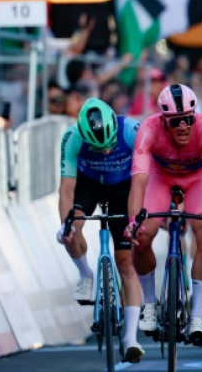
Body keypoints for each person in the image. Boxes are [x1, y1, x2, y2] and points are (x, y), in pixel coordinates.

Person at [124, 84, 202, 347]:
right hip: (160, 180)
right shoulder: (148, 129)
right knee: (142, 235)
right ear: (163, 120)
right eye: (176, 121)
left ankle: (197, 316)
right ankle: (149, 303)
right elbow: (138, 182)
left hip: (196, 182)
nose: (183, 127)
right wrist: (133, 222)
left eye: (188, 119)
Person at [55, 99, 146, 362]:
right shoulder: (72, 137)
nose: (105, 152)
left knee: (126, 264)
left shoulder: (131, 130)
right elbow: (66, 190)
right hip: (88, 184)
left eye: (109, 145)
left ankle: (131, 338)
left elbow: (146, 178)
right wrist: (67, 225)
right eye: (98, 147)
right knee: (73, 227)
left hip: (124, 186)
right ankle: (85, 274)